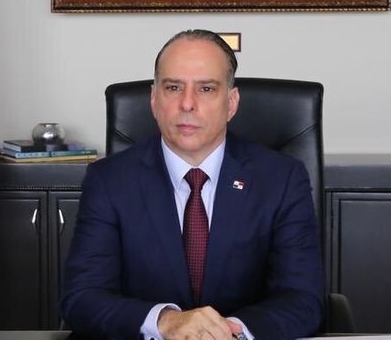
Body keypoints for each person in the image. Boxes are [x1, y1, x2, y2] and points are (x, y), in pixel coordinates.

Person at [61, 29, 324, 340]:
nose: (187, 103)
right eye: (173, 87)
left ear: (231, 103)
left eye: (206, 89)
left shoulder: (281, 179)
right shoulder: (109, 181)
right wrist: (165, 321)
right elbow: (82, 299)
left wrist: (227, 332)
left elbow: (302, 299)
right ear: (154, 99)